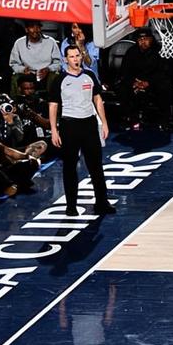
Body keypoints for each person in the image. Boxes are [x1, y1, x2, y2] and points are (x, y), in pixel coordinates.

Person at [48, 45, 114, 217]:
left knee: (96, 166)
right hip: (69, 125)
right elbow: (53, 105)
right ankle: (71, 206)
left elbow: (97, 99)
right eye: (71, 56)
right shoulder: (60, 79)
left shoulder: (89, 75)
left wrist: (104, 123)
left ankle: (102, 202)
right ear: (65, 59)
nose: (75, 59)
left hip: (89, 124)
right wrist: (54, 130)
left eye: (77, 55)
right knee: (70, 167)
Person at [119, 27, 172, 130]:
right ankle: (130, 118)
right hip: (136, 81)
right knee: (123, 88)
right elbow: (125, 71)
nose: (143, 42)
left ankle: (164, 120)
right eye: (140, 39)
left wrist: (148, 82)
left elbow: (164, 71)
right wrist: (134, 82)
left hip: (153, 82)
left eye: (146, 39)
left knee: (165, 87)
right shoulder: (131, 51)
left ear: (151, 39)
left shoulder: (160, 51)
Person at [9, 19, 61, 94]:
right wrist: (23, 69)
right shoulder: (19, 43)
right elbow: (13, 63)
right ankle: (16, 100)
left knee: (54, 76)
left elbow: (58, 63)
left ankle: (52, 99)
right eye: (32, 27)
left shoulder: (51, 42)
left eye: (38, 27)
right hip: (27, 74)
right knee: (15, 77)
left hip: (46, 73)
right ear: (26, 29)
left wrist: (48, 69)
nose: (35, 30)